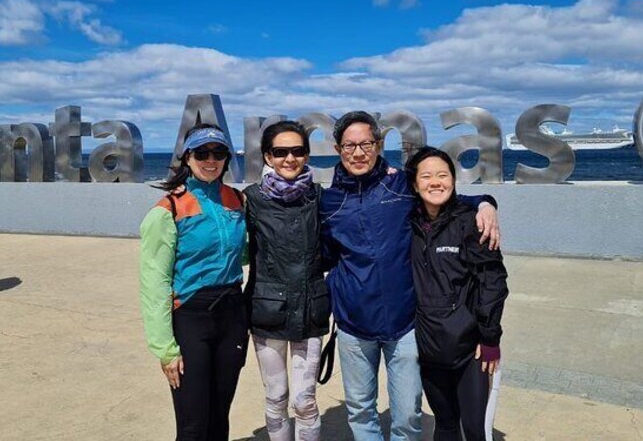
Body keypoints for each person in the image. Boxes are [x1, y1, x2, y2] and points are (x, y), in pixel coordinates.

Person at [320, 111, 500, 440]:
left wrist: (485, 203)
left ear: (378, 145)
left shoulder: (401, 185)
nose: (358, 152)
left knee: (407, 413)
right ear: (337, 149)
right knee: (360, 409)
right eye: (349, 146)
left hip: (404, 323)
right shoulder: (329, 201)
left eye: (366, 144)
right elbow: (325, 254)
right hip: (352, 325)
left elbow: (444, 195)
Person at [139, 123, 248, 441]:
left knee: (219, 417)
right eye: (202, 153)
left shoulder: (236, 201)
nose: (211, 160)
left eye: (218, 152)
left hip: (232, 315)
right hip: (191, 317)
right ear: (187, 157)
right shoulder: (168, 209)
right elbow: (154, 282)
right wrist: (165, 349)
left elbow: (241, 253)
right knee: (193, 424)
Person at [405, 147, 508, 441]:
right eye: (426, 176)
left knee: (475, 430)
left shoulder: (471, 222)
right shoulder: (406, 224)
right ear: (414, 184)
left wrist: (490, 338)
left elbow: (493, 281)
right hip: (429, 349)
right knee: (446, 424)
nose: (436, 182)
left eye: (443, 175)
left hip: (470, 351)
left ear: (453, 180)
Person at [243, 120, 330, 440]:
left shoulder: (319, 196)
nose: (289, 158)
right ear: (268, 156)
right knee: (276, 397)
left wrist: (390, 175)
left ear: (306, 155)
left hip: (310, 310)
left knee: (305, 401)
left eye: (297, 151)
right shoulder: (250, 199)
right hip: (267, 312)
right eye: (280, 152)